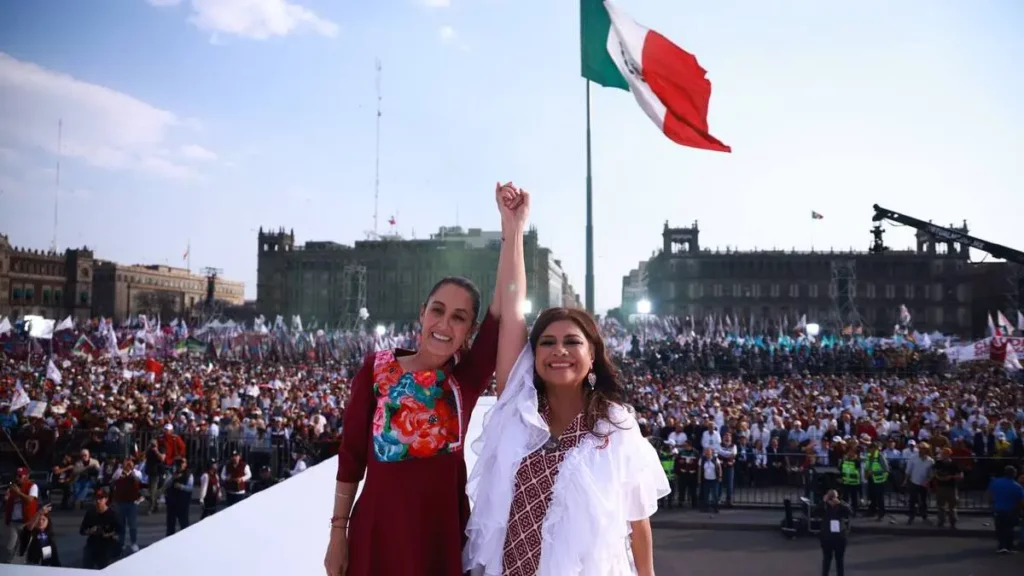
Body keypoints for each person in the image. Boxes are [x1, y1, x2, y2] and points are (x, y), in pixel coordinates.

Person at [464, 187, 670, 576]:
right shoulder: (519, 407)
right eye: (547, 342)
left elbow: (638, 523)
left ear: (592, 355)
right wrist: (514, 228)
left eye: (572, 342)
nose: (559, 350)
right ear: (534, 356)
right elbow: (511, 308)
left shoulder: (616, 425)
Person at [323, 182, 513, 576]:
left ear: (470, 329)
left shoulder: (464, 381)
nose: (445, 324)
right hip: (375, 534)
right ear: (422, 312)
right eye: (438, 311)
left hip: (439, 537)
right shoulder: (376, 369)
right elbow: (352, 457)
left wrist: (512, 228)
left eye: (459, 317)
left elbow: (504, 307)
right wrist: (337, 534)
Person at [79, 488, 121, 569]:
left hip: (106, 545)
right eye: (96, 499)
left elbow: (119, 529)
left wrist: (109, 534)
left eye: (101, 499)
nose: (98, 501)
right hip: (92, 544)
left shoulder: (112, 514)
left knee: (104, 568)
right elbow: (82, 530)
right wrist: (89, 531)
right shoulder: (90, 512)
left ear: (106, 499)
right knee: (87, 568)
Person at [988, 465, 1023, 553]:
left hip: (997, 509)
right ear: (1014, 474)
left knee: (999, 527)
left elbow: (990, 494)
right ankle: (1007, 546)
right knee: (1008, 528)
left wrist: (991, 505)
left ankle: (1001, 545)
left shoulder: (995, 482)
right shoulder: (1017, 486)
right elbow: (1021, 501)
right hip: (1010, 510)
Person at [817, 489, 852, 576]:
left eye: (834, 498)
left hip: (839, 538)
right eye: (830, 499)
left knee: (839, 560)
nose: (833, 501)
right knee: (827, 560)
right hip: (827, 538)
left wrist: (840, 503)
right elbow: (815, 512)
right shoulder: (824, 507)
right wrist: (823, 502)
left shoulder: (841, 506)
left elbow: (850, 511)